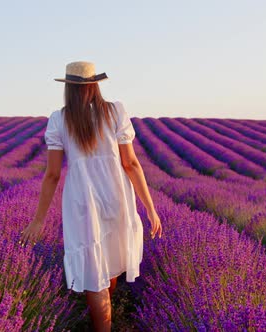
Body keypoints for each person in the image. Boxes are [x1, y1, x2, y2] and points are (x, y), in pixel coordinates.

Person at [19, 61, 162, 331]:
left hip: (82, 203)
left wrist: (39, 220)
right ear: (95, 84)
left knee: (96, 272)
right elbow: (131, 164)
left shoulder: (59, 119)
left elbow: (52, 175)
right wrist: (150, 208)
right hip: (116, 197)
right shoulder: (115, 112)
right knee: (108, 264)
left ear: (69, 89)